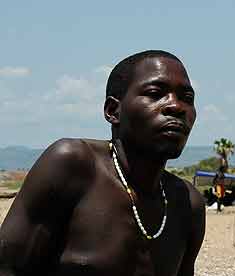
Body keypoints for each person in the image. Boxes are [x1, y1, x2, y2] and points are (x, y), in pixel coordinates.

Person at [0, 50, 205, 276]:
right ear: (113, 111)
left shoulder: (188, 202)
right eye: (155, 93)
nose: (176, 107)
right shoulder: (73, 165)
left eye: (187, 98)